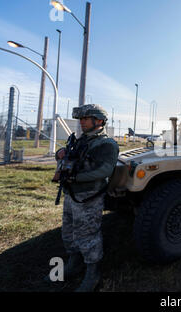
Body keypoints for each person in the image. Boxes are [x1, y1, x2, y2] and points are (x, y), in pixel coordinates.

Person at [53, 104, 119, 292]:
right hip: (72, 194)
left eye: (85, 119)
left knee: (88, 234)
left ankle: (93, 272)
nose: (81, 122)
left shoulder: (106, 144)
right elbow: (69, 159)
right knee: (69, 230)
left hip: (89, 196)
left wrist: (75, 177)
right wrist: (60, 154)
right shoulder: (81, 140)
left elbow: (105, 170)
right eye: (80, 119)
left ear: (98, 121)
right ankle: (75, 263)